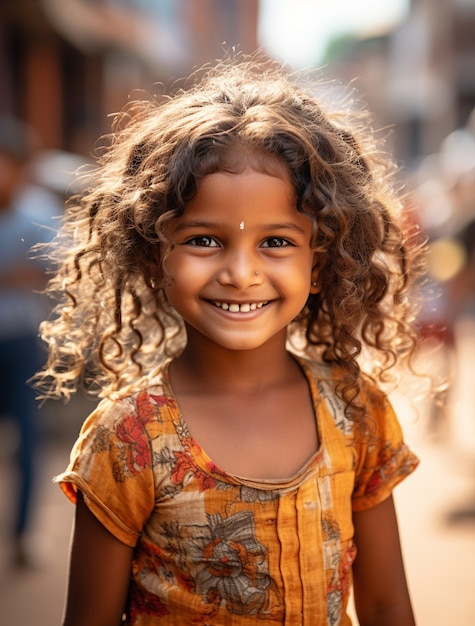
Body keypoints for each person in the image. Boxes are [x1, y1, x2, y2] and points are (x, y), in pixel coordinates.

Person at [36, 56, 423, 625]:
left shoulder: (356, 410)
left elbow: (388, 603)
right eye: (203, 239)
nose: (241, 273)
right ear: (153, 256)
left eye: (276, 242)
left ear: (321, 261)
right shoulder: (130, 438)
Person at [0, 117, 61, 566]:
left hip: (22, 340)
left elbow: (63, 271)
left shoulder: (40, 212)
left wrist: (30, 276)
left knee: (26, 438)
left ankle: (22, 534)